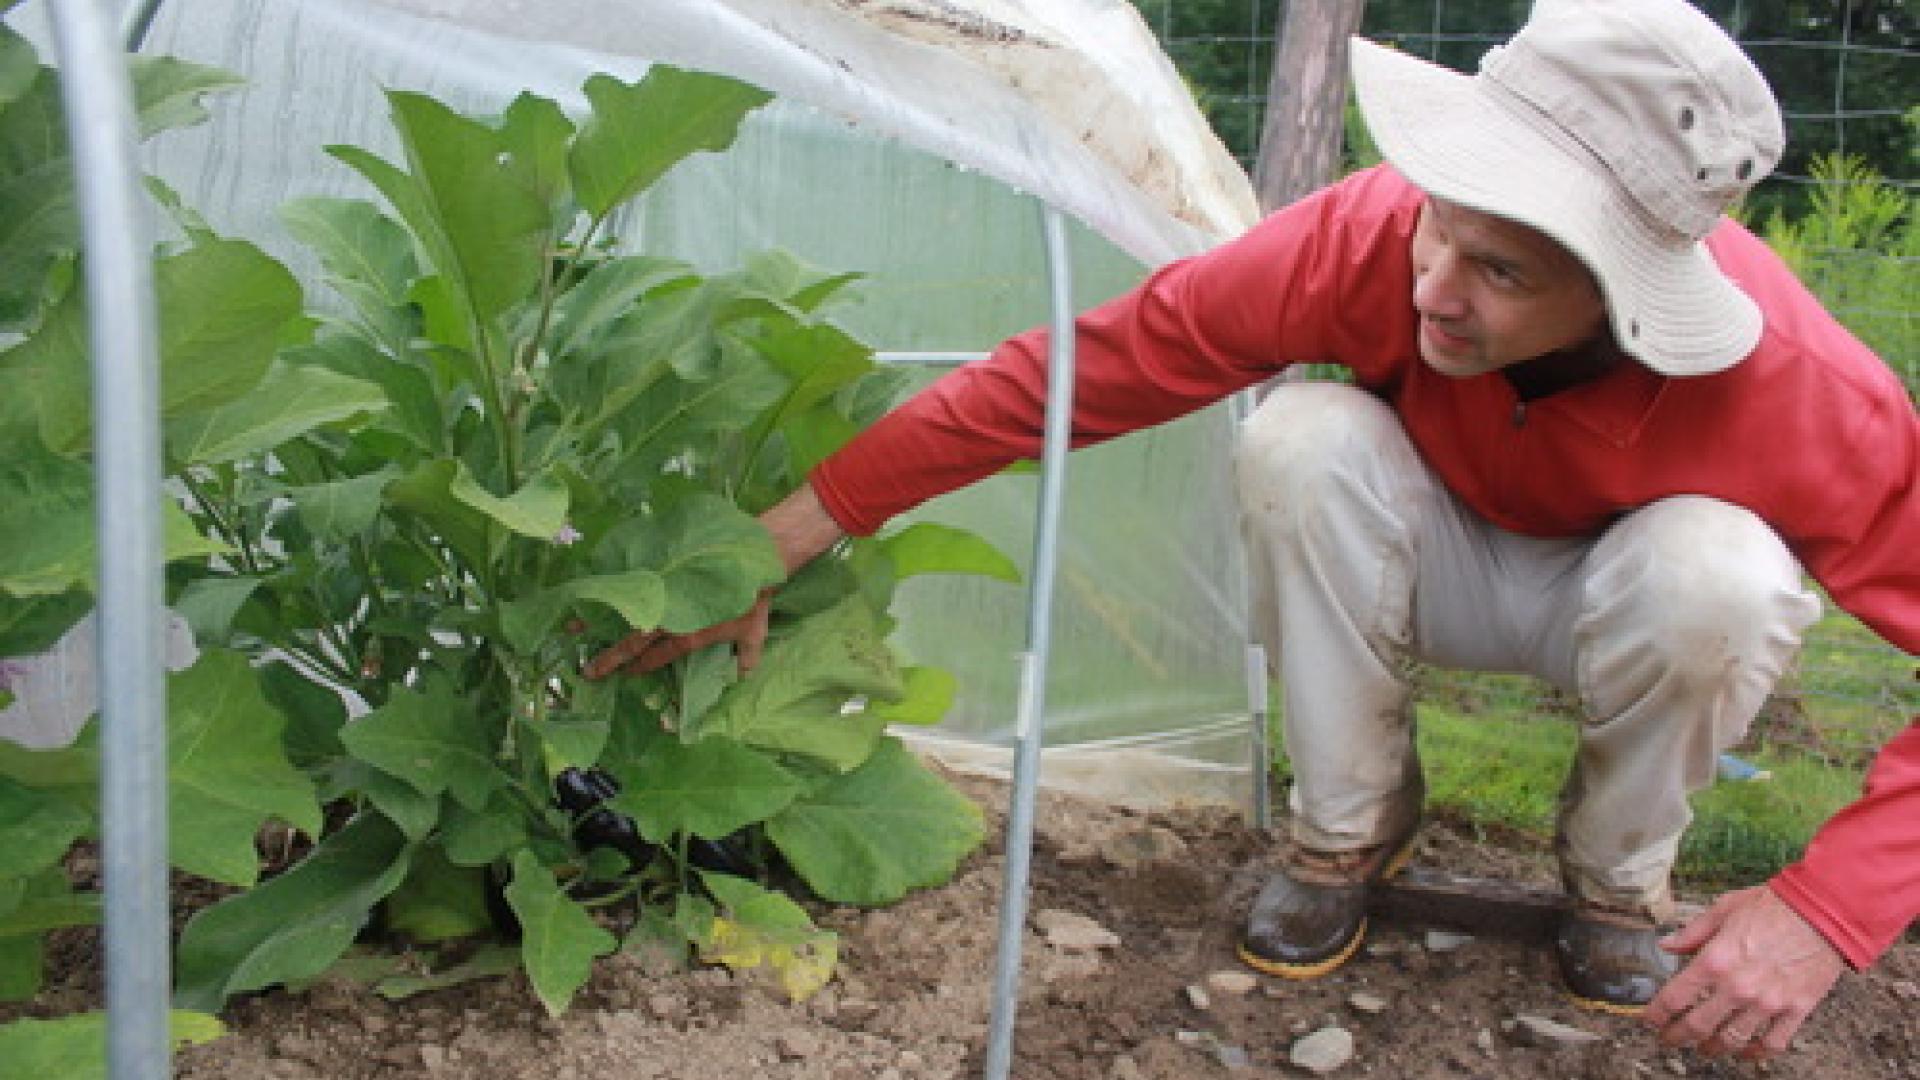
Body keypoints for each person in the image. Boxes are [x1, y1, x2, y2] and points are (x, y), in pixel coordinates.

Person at [587, 0, 1918, 1061]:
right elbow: (1085, 371)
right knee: (1302, 439)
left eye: (1501, 272)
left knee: (1723, 574)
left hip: (1635, 600)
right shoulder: (1375, 237)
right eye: (1437, 230)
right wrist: (797, 525)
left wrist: (1828, 913)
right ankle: (1350, 827)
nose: (1431, 290)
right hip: (1429, 560)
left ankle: (1616, 880)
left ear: (1627, 292)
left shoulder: (1801, 396)